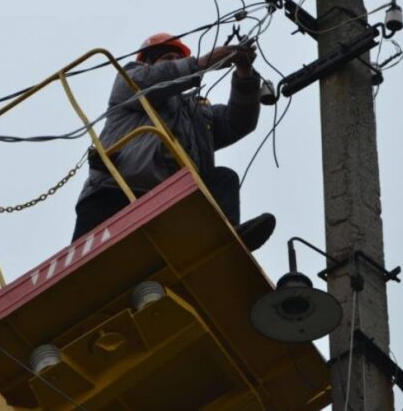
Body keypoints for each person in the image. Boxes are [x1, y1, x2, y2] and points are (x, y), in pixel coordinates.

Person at [72, 32, 276, 250]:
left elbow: (238, 122)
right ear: (148, 63)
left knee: (223, 178)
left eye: (178, 59)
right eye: (167, 59)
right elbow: (153, 80)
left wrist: (245, 74)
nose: (175, 63)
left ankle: (225, 237)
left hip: (171, 201)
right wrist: (200, 64)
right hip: (114, 193)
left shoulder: (198, 112)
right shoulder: (130, 82)